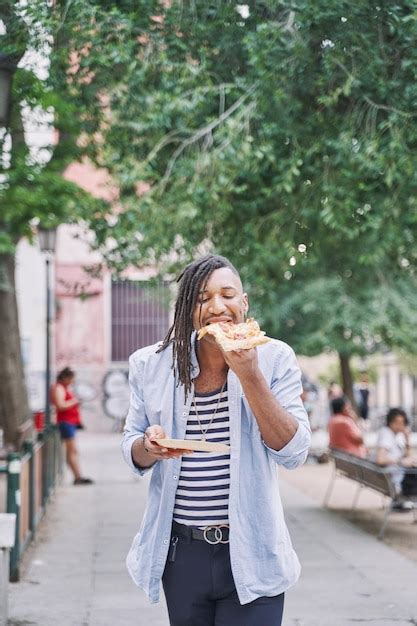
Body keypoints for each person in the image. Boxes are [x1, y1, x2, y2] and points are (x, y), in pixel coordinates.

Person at [122, 254, 311, 626]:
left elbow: (294, 452)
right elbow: (132, 446)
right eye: (202, 297)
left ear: (244, 304)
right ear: (187, 309)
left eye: (227, 295)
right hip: (182, 555)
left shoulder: (275, 358)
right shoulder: (150, 364)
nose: (216, 307)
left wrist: (250, 374)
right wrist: (149, 445)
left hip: (254, 549)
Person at [51, 367, 93, 485]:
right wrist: (74, 401)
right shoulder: (59, 388)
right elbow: (60, 405)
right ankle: (77, 477)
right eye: (71, 379)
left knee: (72, 451)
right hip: (66, 423)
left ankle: (77, 475)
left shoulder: (62, 388)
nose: (72, 382)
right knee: (72, 451)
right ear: (65, 378)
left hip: (70, 423)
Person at [373, 408, 417, 504]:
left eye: (402, 422)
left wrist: (407, 439)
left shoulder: (393, 435)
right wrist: (400, 462)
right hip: (396, 478)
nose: (400, 425)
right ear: (390, 422)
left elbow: (407, 456)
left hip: (397, 475)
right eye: (397, 422)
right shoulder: (387, 434)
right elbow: (380, 459)